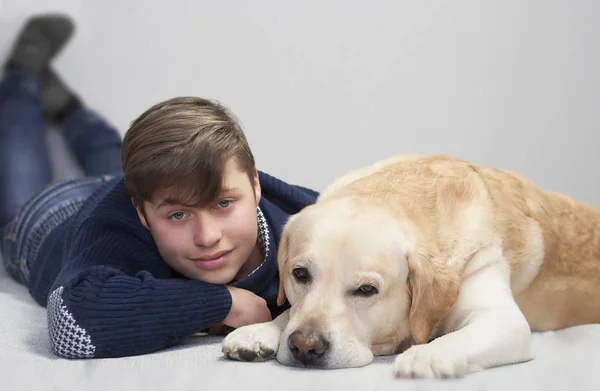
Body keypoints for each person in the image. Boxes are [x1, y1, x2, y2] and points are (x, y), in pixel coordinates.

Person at [0, 14, 319, 359]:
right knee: (18, 170)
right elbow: (69, 323)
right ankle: (22, 76)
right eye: (179, 215)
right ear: (143, 214)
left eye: (223, 204)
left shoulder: (306, 215)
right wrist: (225, 303)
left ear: (255, 183)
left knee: (119, 163)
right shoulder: (118, 222)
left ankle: (68, 108)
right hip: (48, 219)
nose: (208, 236)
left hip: (144, 189)